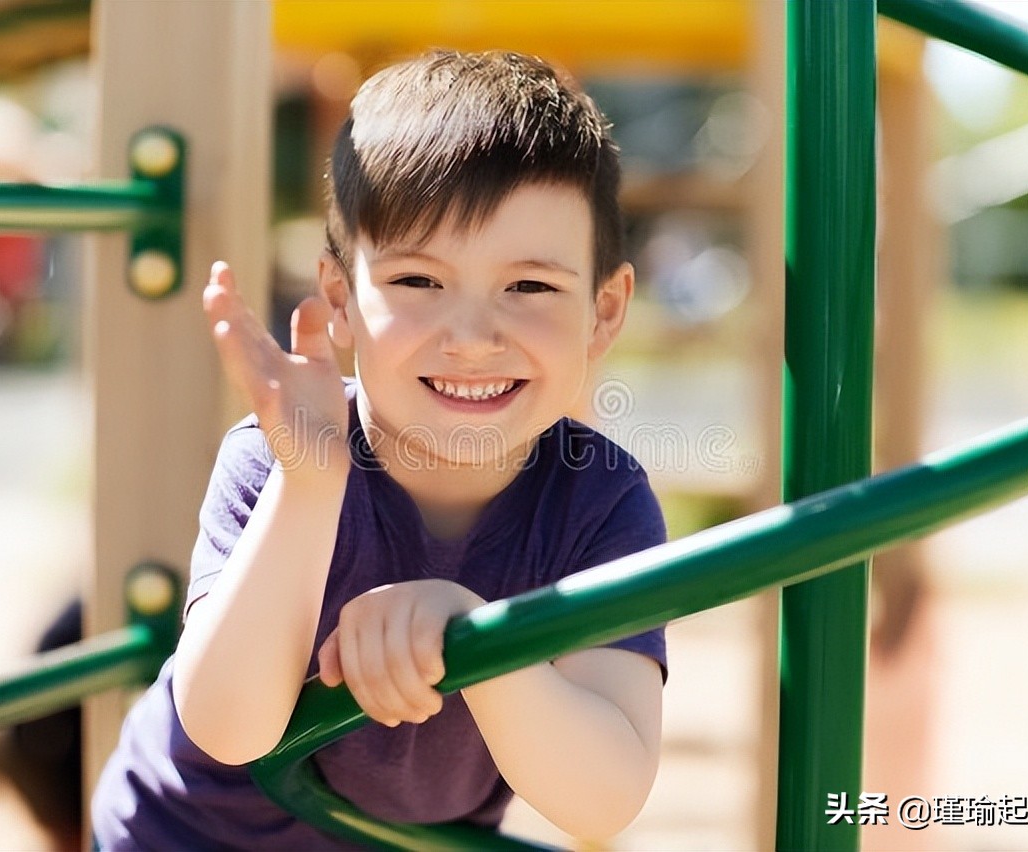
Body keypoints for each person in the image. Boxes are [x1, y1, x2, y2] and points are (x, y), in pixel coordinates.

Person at [91, 49, 667, 850]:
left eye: (530, 287)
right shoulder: (282, 455)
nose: (471, 339)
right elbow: (228, 728)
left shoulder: (600, 502)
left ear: (603, 312)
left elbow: (604, 797)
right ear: (339, 300)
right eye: (419, 283)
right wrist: (311, 484)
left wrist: (474, 638)